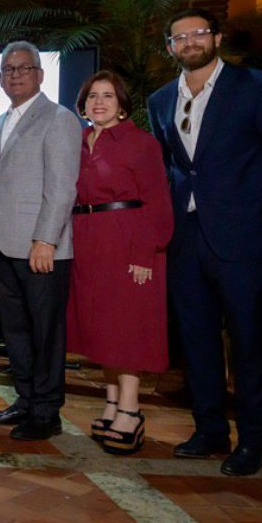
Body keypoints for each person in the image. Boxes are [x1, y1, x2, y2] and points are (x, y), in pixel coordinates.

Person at [148, 8, 262, 476]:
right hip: (186, 240)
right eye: (179, 36)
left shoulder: (259, 89)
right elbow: (172, 167)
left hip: (244, 240)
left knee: (248, 343)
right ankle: (209, 429)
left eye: (197, 33)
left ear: (216, 37)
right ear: (170, 48)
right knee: (198, 340)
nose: (189, 41)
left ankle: (252, 439)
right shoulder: (160, 99)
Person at [67, 70, 172, 455]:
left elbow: (158, 203)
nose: (99, 102)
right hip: (88, 241)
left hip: (129, 242)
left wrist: (146, 252)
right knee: (103, 328)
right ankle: (111, 404)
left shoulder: (141, 144)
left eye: (108, 95)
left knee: (127, 329)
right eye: (93, 95)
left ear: (122, 103)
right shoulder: (78, 141)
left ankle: (131, 409)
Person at [0, 41, 81, 441]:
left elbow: (61, 187)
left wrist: (46, 240)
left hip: (42, 250)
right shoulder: (0, 121)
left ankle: (46, 412)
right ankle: (24, 400)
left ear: (40, 74)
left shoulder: (58, 119)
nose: (16, 74)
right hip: (5, 247)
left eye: (24, 68)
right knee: (16, 331)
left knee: (46, 333)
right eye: (8, 69)